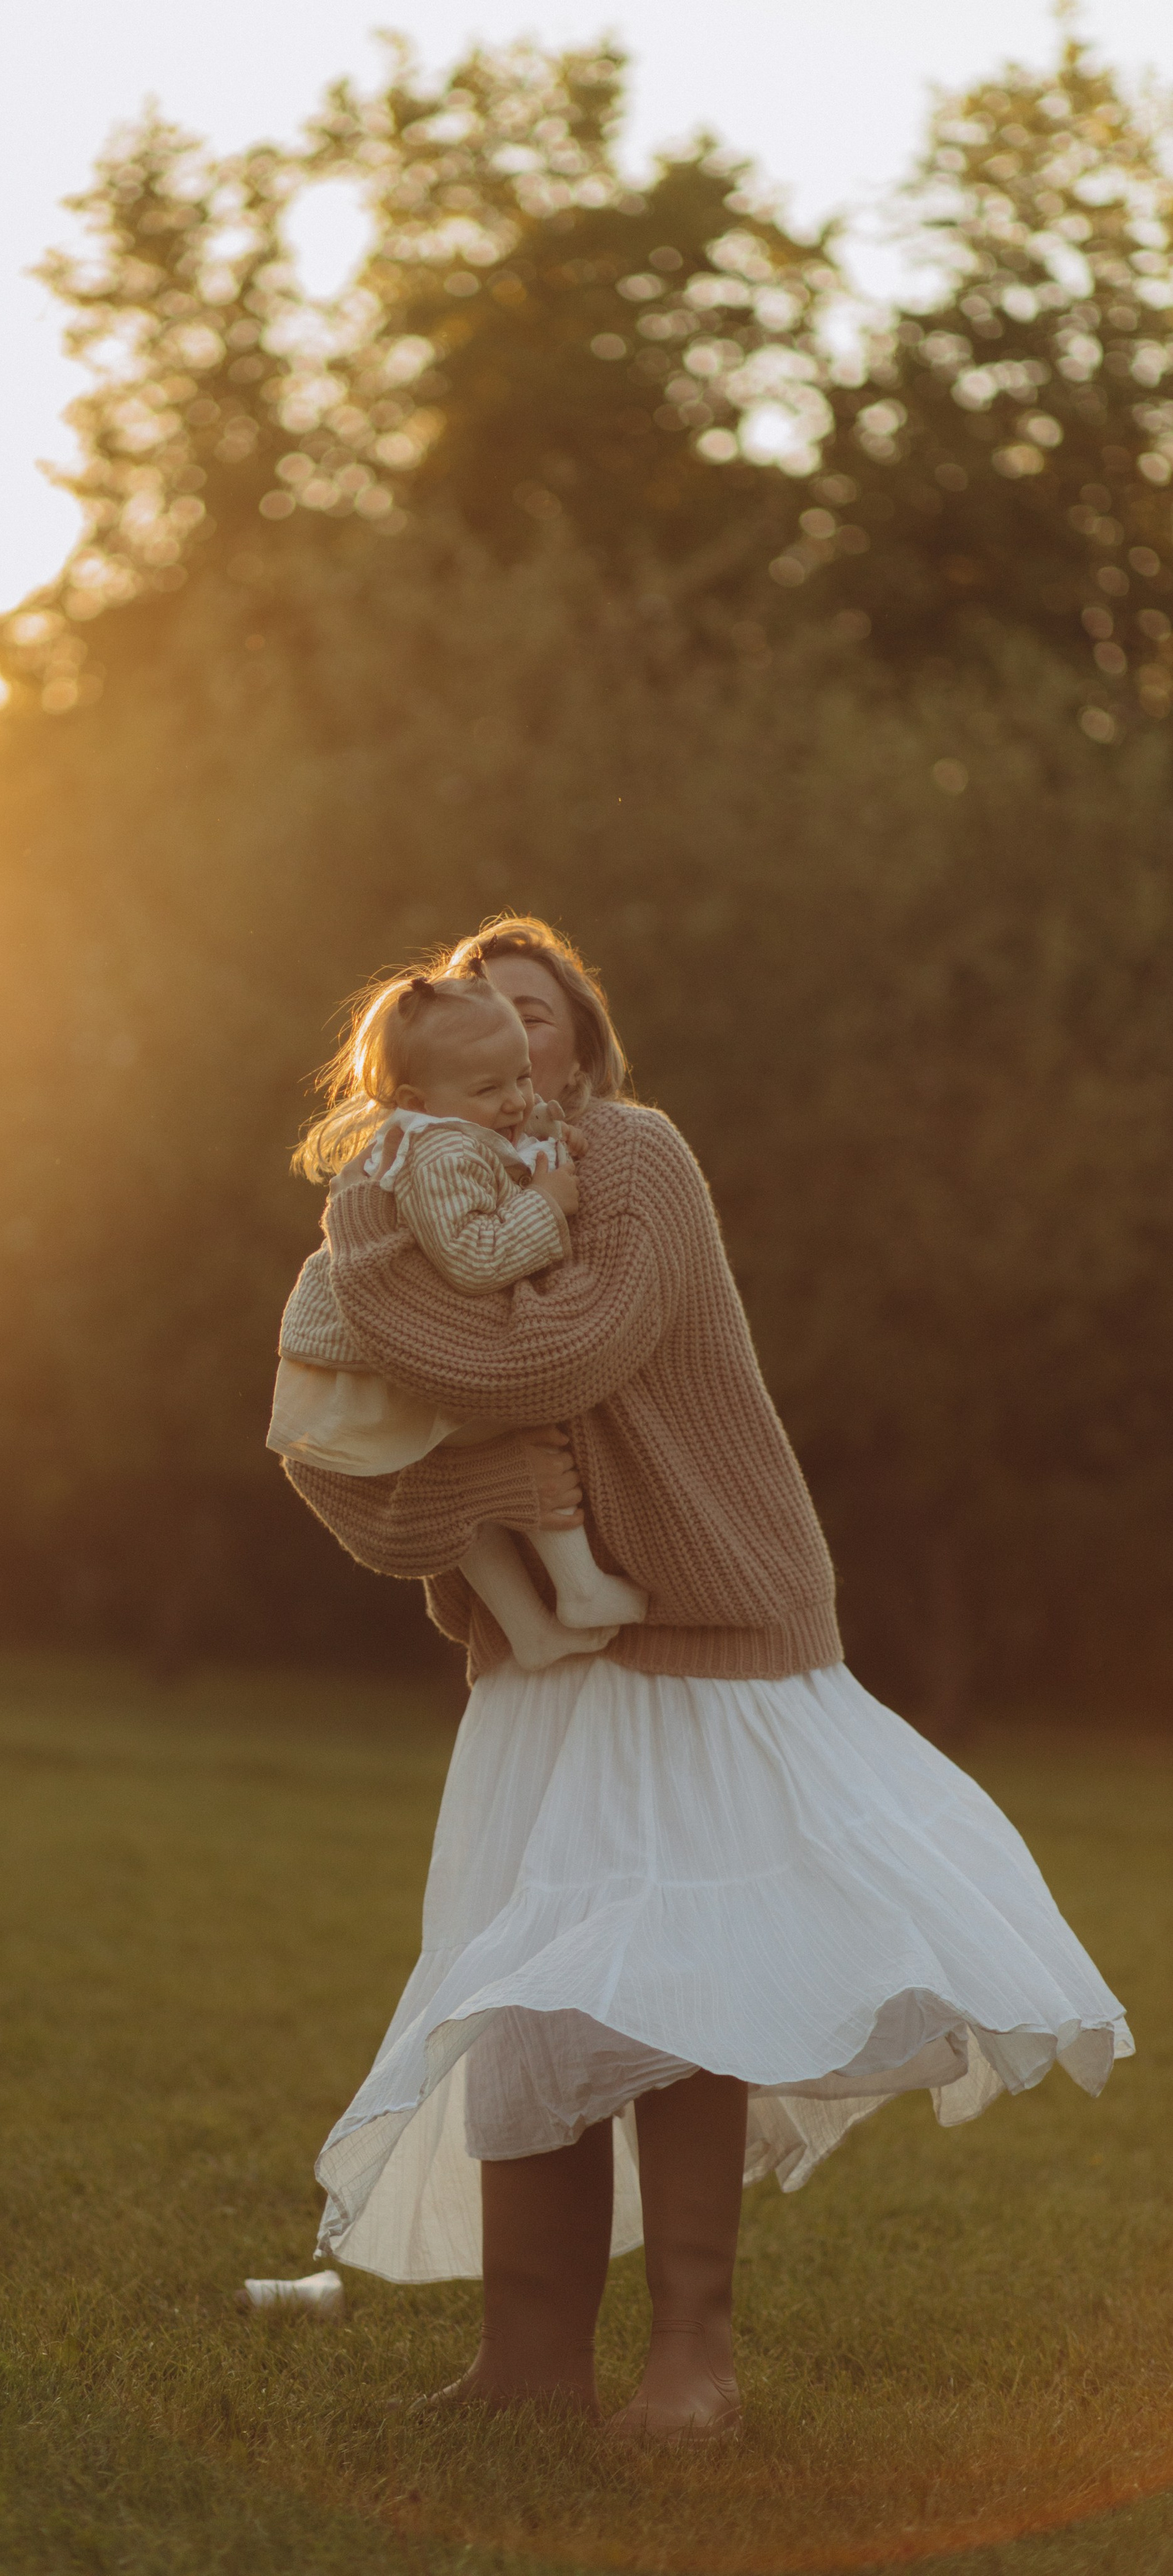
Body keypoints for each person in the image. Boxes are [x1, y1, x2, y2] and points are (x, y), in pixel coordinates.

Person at [280, 914, 1132, 2442]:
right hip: (545, 1662)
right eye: (472, 1022)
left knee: (681, 1998)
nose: (505, 1042)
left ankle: (694, 2364)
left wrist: (400, 1305)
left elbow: (537, 1364)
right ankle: (525, 2365)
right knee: (527, 1994)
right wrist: (396, 1296)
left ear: (582, 1044)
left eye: (530, 1016)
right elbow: (366, 1382)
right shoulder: (417, 1180)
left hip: (697, 1627)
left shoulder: (633, 1159)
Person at [268, 962, 647, 1668]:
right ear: (417, 1098)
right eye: (489, 1089)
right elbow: (473, 1254)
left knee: (474, 1486)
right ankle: (580, 1587)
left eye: (521, 1079)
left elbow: (505, 1137)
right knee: (528, 1404)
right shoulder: (439, 1151)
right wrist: (546, 1202)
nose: (512, 1101)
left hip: (360, 1361)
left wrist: (542, 1133)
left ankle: (530, 1631)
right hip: (364, 1368)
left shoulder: (455, 1124)